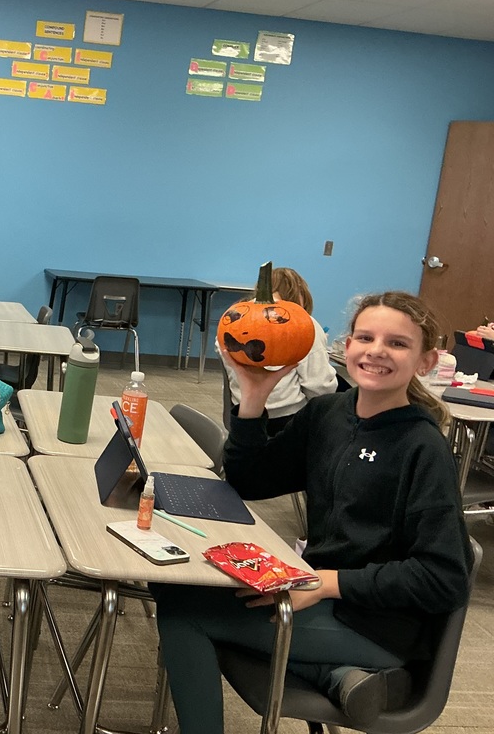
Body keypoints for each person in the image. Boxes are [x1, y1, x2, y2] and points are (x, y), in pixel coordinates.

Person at [156, 291, 473, 733]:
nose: (377, 350)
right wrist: (254, 397)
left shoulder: (423, 448)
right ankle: (335, 674)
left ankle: (346, 668)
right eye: (366, 337)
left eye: (397, 343)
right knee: (175, 583)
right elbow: (249, 482)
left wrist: (327, 582)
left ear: (424, 361)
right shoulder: (329, 413)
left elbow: (444, 578)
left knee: (183, 612)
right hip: (316, 593)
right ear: (347, 347)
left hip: (374, 625)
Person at [222, 266, 338, 435]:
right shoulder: (304, 324)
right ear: (301, 296)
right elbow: (320, 388)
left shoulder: (232, 320)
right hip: (287, 420)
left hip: (240, 412)